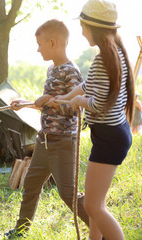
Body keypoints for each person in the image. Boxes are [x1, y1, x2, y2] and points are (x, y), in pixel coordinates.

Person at [51, 1, 135, 239]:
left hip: (109, 138)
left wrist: (77, 103)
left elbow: (97, 103)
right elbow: (89, 85)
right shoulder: (115, 55)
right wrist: (66, 97)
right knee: (96, 203)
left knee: (92, 207)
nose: (81, 31)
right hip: (114, 134)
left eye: (83, 25)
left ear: (93, 28)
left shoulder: (103, 59)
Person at [5, 19, 89, 238]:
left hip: (63, 143)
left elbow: (75, 108)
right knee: (31, 184)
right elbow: (46, 105)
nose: (38, 49)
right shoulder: (52, 69)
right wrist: (24, 103)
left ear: (53, 42)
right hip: (44, 141)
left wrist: (49, 99)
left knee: (68, 194)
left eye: (40, 44)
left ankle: (101, 228)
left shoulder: (71, 72)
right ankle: (21, 230)